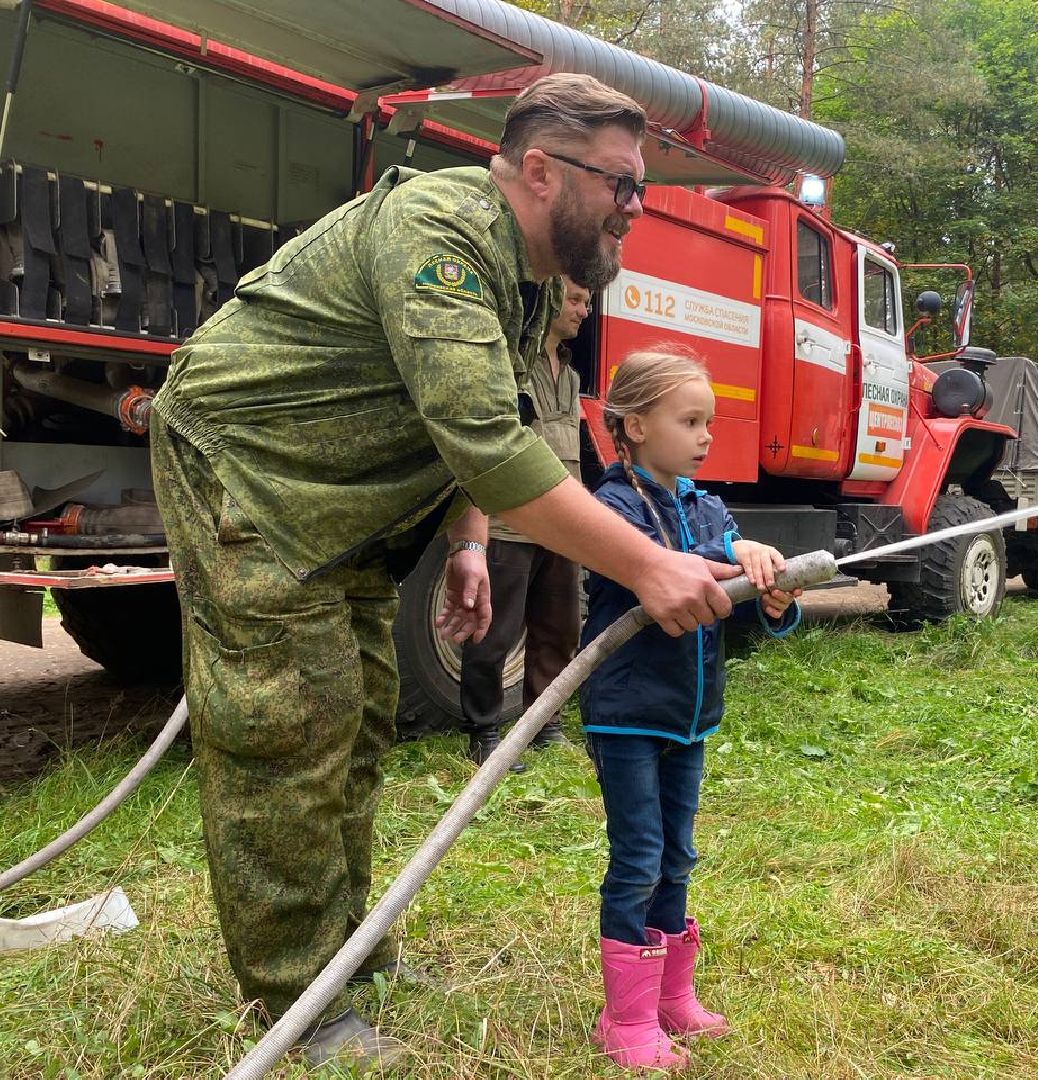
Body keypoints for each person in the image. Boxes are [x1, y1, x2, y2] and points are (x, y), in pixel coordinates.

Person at [149, 74, 744, 1068]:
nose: (637, 211)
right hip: (247, 477)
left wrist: (468, 541)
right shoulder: (443, 228)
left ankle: (350, 959)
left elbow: (484, 422)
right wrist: (650, 565)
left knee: (362, 720)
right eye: (624, 187)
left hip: (349, 507)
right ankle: (298, 1000)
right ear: (543, 170)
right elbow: (487, 442)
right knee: (289, 729)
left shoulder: (531, 274)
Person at [580, 350, 801, 1071]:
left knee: (677, 856)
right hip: (628, 715)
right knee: (638, 857)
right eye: (691, 420)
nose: (707, 435)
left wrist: (772, 599)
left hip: (690, 714)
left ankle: (672, 997)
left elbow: (728, 599)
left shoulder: (708, 505)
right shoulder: (611, 508)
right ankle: (626, 1019)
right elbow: (655, 567)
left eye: (709, 420)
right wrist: (731, 552)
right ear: (634, 425)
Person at [452, 278, 591, 774]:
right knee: (494, 632)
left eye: (588, 303)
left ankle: (543, 726)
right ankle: (484, 732)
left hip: (563, 521)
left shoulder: (572, 374)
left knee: (559, 629)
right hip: (511, 521)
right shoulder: (512, 360)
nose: (584, 311)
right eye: (575, 300)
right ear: (551, 299)